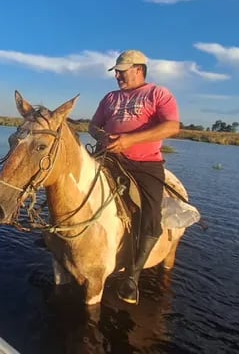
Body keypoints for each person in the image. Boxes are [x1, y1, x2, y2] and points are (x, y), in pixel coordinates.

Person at [88, 49, 180, 305]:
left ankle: (132, 276)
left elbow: (172, 126)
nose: (117, 75)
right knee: (74, 187)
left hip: (144, 164)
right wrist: (101, 136)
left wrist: (130, 140)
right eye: (116, 71)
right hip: (108, 158)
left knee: (150, 215)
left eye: (122, 70)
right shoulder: (109, 98)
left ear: (139, 69)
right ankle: (56, 237)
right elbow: (92, 126)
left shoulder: (158, 93)